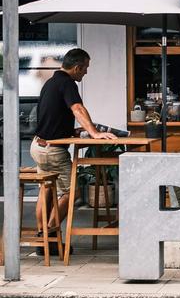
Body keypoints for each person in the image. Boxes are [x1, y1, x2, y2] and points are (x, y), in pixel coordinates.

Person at [30, 48, 117, 253]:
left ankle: (44, 240)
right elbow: (77, 108)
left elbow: (51, 117)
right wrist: (94, 133)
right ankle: (49, 236)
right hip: (53, 150)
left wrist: (72, 131)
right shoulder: (67, 83)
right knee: (73, 191)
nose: (85, 73)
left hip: (39, 145)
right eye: (85, 68)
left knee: (47, 191)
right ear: (77, 67)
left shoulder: (51, 83)